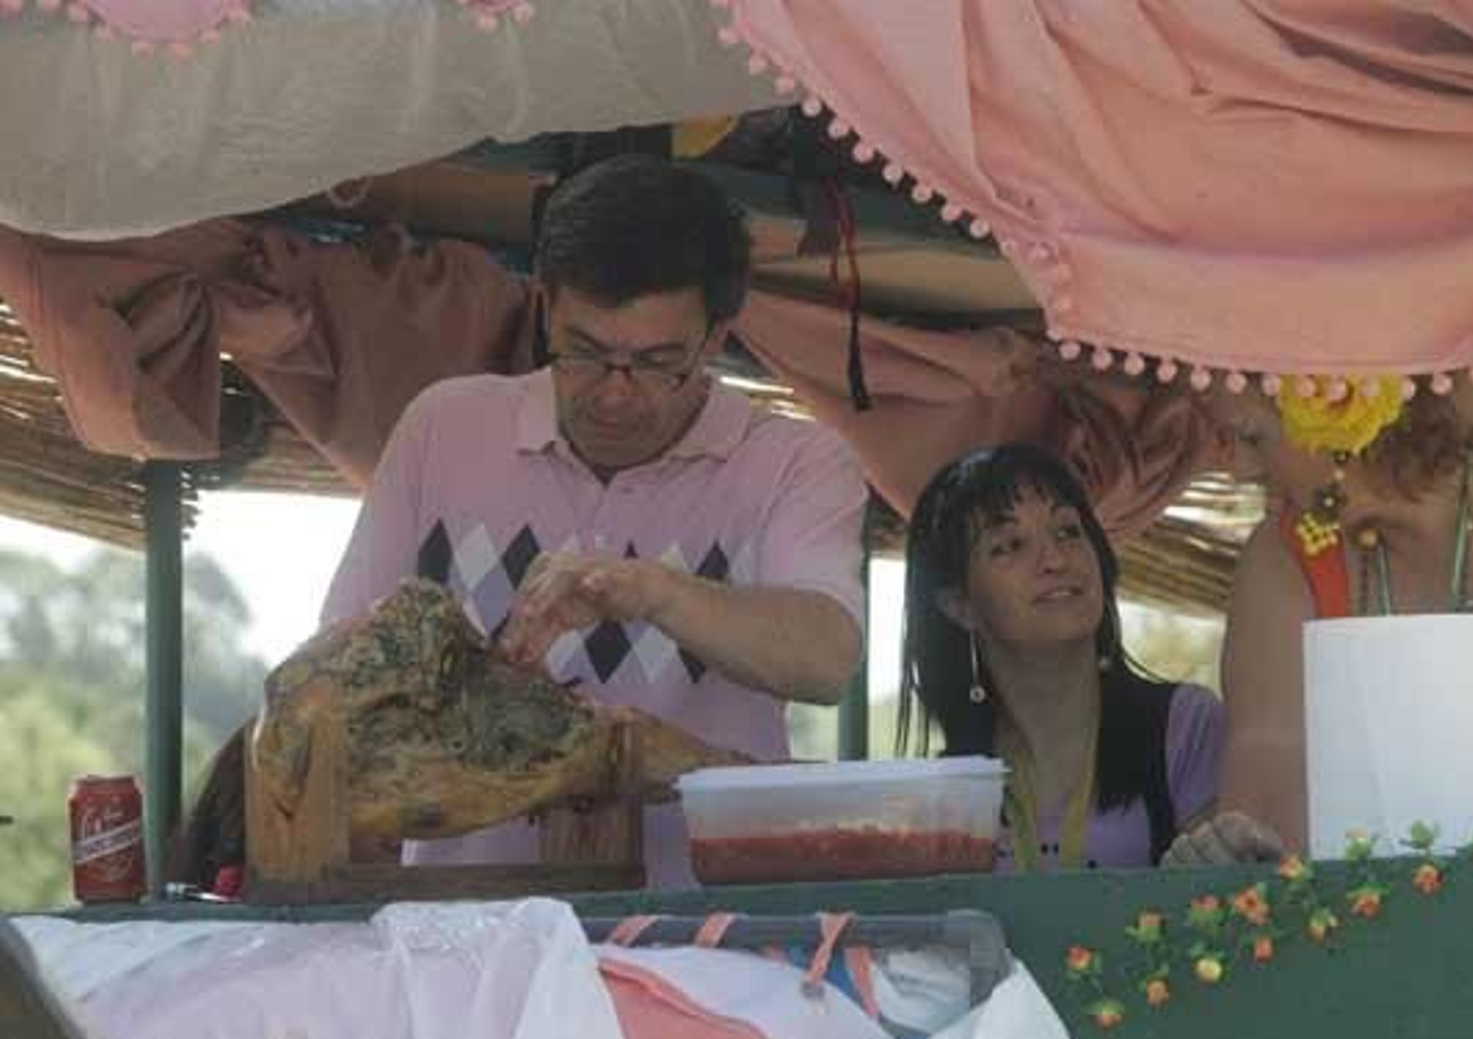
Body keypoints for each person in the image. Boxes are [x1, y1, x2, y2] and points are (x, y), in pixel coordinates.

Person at [320, 155, 867, 888]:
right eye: (583, 352)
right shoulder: (443, 429)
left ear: (717, 337)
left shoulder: (794, 461)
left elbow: (826, 657)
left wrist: (650, 591)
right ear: (545, 305)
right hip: (464, 936)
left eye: (656, 362)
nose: (614, 394)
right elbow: (339, 672)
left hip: (703, 944)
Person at [1200, 374, 1473, 856]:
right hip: (1389, 925)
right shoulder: (1285, 556)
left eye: (1252, 436)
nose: (1240, 469)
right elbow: (1264, 800)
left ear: (1343, 413)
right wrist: (1240, 852)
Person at [897, 443, 1226, 869]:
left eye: (1068, 530)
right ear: (959, 604)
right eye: (1010, 545)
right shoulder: (946, 794)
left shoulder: (1186, 728)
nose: (1054, 559)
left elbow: (1222, 907)